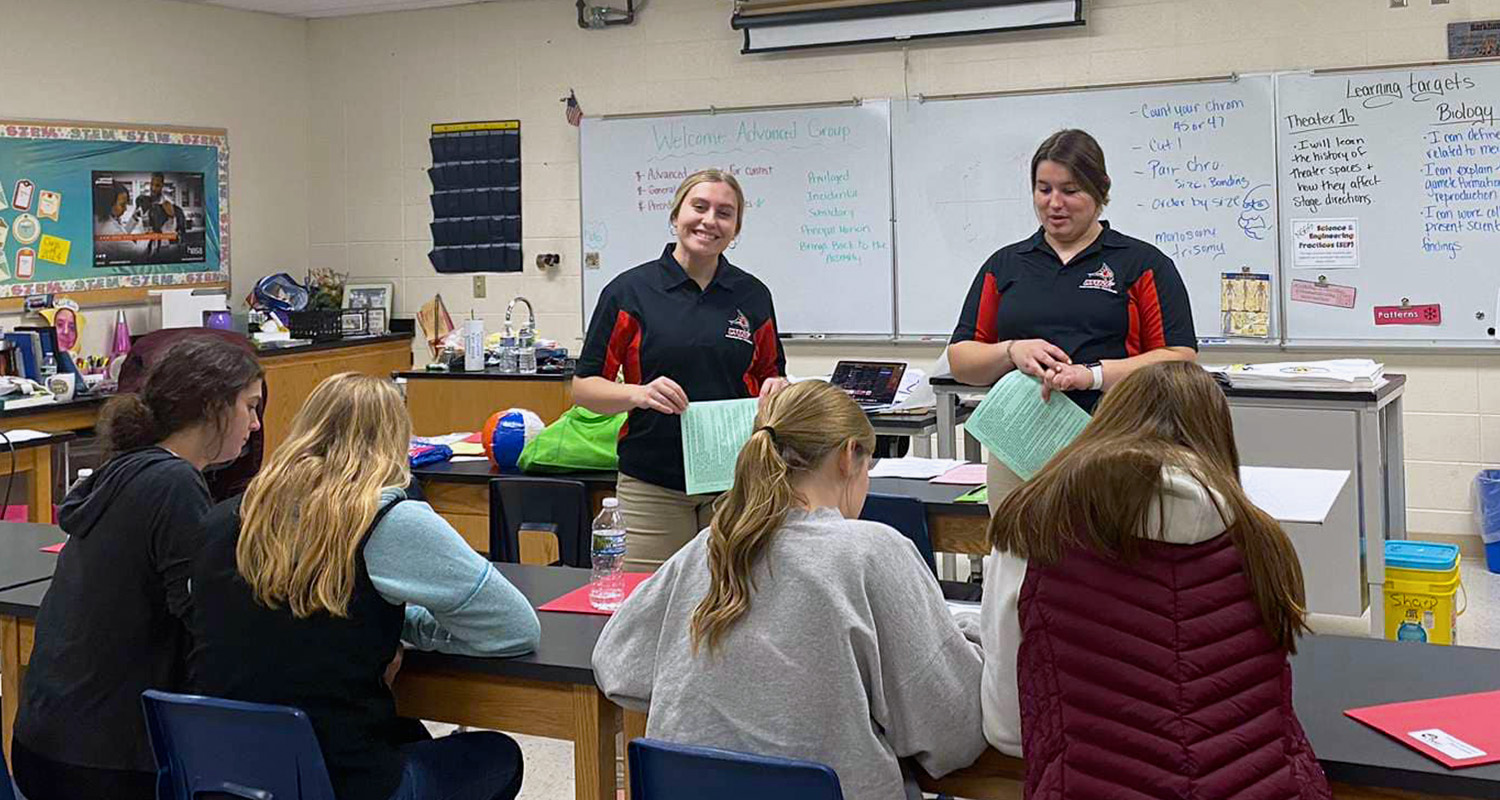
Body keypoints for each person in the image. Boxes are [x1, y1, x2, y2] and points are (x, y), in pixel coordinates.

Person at [593, 380, 986, 800]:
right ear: (849, 455)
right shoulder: (873, 551)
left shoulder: (710, 546)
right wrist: (970, 639)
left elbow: (618, 667)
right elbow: (954, 735)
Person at [979, 361, 1332, 799]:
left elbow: (1007, 730)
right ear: (1218, 438)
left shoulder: (1036, 530)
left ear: (1108, 422)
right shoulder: (1263, 541)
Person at [187, 373, 540, 800]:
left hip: (229, 779)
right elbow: (515, 627)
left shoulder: (224, 519)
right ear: (396, 441)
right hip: (342, 780)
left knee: (411, 733)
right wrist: (409, 626)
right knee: (498, 756)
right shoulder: (387, 519)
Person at [12, 338, 264, 800]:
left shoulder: (125, 470)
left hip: (43, 742)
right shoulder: (173, 484)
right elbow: (203, 616)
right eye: (249, 406)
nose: (255, 424)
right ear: (212, 406)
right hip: (107, 761)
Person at [947, 129, 1198, 507]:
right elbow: (961, 360)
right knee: (1017, 554)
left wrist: (1091, 376)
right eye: (1043, 189)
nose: (1055, 203)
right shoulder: (1006, 265)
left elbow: (1180, 357)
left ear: (1101, 189)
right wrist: (1012, 350)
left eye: (1070, 190)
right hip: (1018, 442)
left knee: (1105, 557)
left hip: (1117, 438)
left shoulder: (1143, 264)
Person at [574, 168, 789, 570]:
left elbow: (770, 375)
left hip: (734, 480)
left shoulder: (753, 296)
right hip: (652, 480)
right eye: (699, 207)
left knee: (734, 601)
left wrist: (777, 387)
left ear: (735, 229)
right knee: (647, 603)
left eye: (725, 213)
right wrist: (639, 394)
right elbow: (584, 387)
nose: (710, 220)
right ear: (676, 216)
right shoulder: (628, 292)